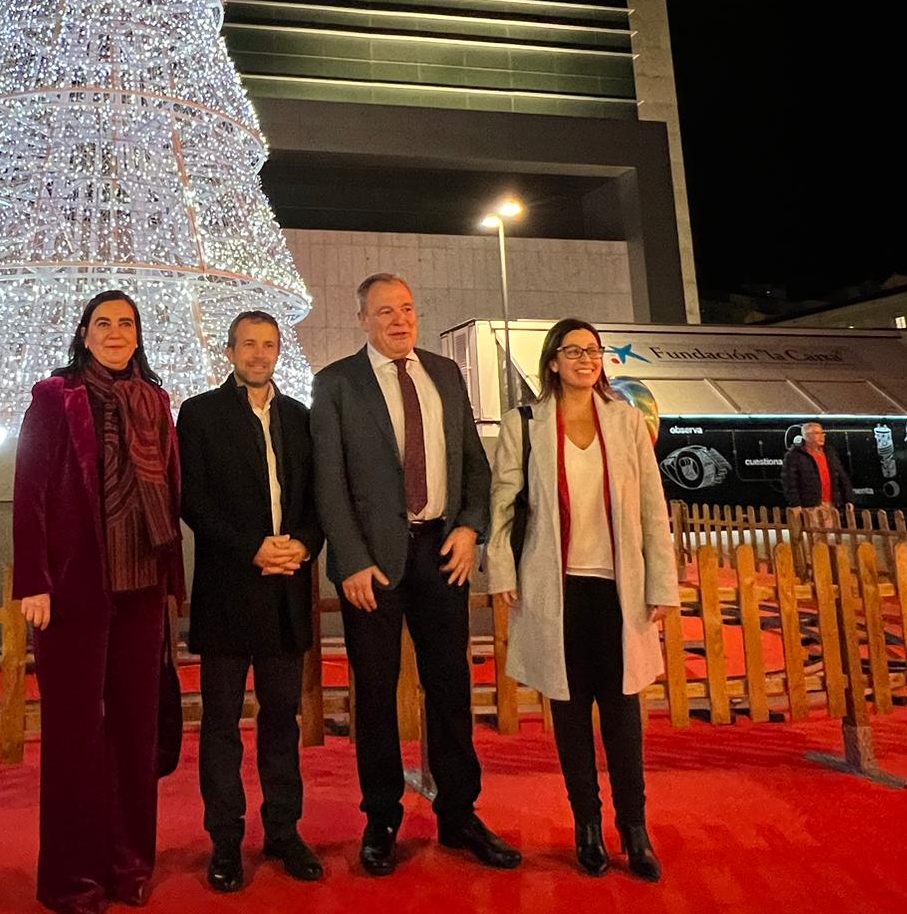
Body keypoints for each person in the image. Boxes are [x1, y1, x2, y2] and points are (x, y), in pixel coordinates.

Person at [311, 273, 518, 876]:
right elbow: (329, 482)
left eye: (407, 309)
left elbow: (474, 467)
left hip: (441, 555)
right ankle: (380, 818)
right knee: (374, 696)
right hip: (371, 567)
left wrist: (469, 528)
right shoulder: (337, 384)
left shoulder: (446, 375)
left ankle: (459, 814)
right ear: (362, 320)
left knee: (451, 688)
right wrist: (349, 560)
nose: (399, 321)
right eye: (384, 313)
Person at [482, 318, 679, 882]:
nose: (585, 360)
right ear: (552, 362)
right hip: (559, 587)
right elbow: (504, 503)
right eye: (573, 352)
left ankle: (634, 829)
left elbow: (651, 509)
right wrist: (501, 570)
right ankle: (587, 827)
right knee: (569, 716)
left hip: (618, 590)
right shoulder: (527, 424)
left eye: (593, 352)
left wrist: (660, 584)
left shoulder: (626, 422)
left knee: (622, 714)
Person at [12, 290, 186, 914]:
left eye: (127, 323)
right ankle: (73, 880)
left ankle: (129, 864)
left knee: (136, 734)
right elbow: (29, 489)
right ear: (84, 334)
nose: (116, 332)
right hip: (74, 589)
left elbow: (169, 487)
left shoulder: (157, 402)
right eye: (104, 323)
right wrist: (32, 579)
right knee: (76, 736)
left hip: (142, 586)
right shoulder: (55, 399)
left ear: (139, 335)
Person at [178, 310, 324, 893]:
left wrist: (303, 547)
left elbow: (316, 499)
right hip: (228, 593)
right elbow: (193, 500)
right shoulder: (200, 413)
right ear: (230, 350)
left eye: (268, 345)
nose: (258, 354)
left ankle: (285, 833)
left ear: (279, 350)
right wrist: (254, 550)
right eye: (248, 344)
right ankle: (225, 840)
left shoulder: (299, 417)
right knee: (220, 725)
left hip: (288, 590)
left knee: (282, 722)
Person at [780, 422, 854, 521]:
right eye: (817, 433)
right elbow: (789, 482)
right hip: (810, 506)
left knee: (832, 535)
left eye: (822, 433)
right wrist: (795, 504)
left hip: (831, 503)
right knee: (816, 535)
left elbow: (842, 476)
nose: (822, 436)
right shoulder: (794, 456)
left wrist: (848, 499)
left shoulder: (829, 453)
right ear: (806, 436)